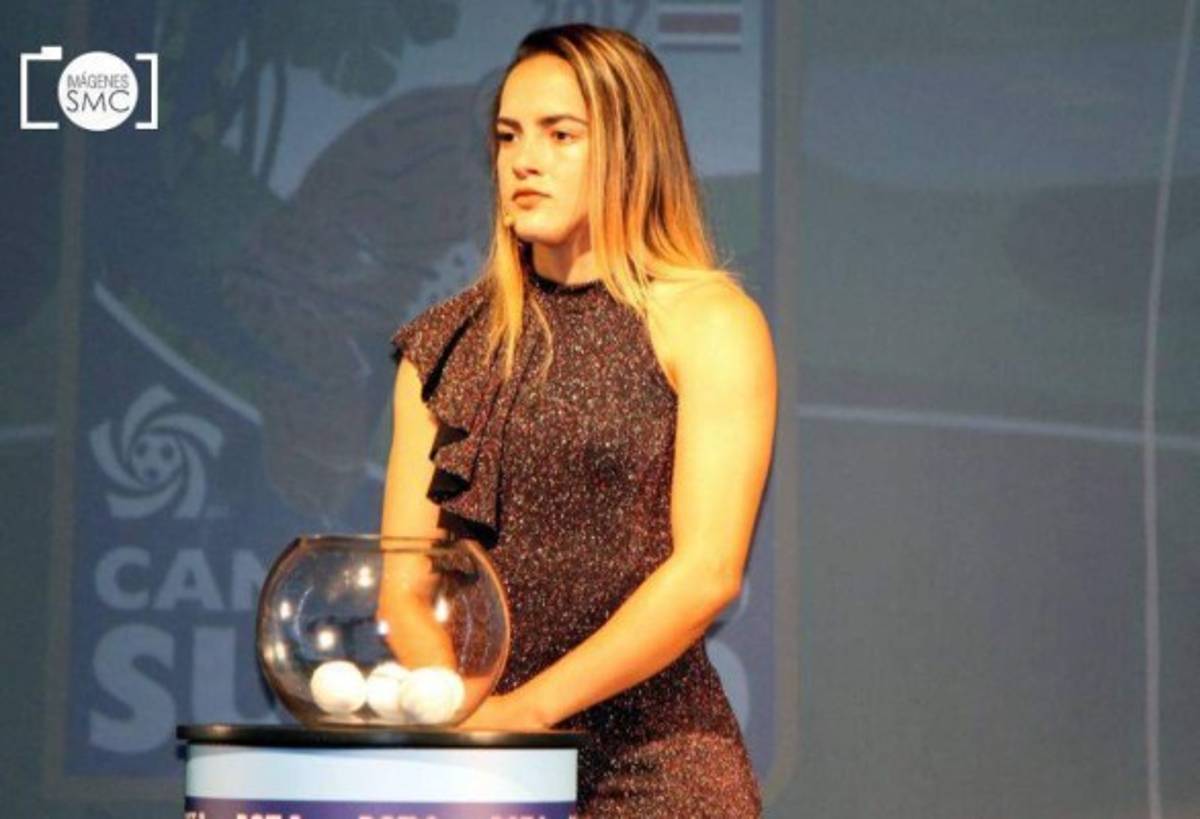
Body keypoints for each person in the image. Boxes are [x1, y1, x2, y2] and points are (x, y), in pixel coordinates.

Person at [381, 23, 776, 818]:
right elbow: (402, 586)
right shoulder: (446, 344)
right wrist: (467, 722)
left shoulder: (709, 322)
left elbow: (707, 571)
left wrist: (525, 715)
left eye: (560, 134)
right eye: (508, 136)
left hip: (657, 773)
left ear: (632, 150)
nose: (524, 160)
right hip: (487, 774)